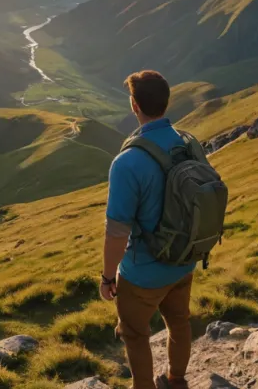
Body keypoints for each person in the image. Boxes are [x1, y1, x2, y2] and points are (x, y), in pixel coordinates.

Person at [100, 70, 194, 389]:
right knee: (179, 321)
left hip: (144, 272)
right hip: (184, 258)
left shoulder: (127, 162)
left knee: (134, 333)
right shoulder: (187, 143)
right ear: (166, 103)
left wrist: (108, 277)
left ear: (134, 106)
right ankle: (176, 380)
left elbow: (116, 232)